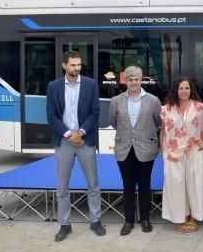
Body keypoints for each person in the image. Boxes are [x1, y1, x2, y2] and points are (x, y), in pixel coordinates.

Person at [46, 50, 104, 242]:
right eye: (73, 65)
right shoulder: (53, 87)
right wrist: (69, 134)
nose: (77, 68)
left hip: (85, 140)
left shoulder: (91, 84)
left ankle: (95, 221)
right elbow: (51, 116)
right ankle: (65, 224)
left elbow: (95, 112)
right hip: (64, 141)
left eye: (79, 64)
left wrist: (80, 133)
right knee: (62, 186)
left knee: (93, 184)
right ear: (64, 65)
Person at [108, 66, 162, 236]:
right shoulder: (116, 100)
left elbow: (158, 122)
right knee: (128, 186)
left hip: (146, 148)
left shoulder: (153, 101)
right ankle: (129, 220)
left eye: (136, 79)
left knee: (145, 185)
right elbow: (113, 122)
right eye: (130, 79)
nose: (133, 82)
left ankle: (145, 219)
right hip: (124, 148)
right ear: (126, 81)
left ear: (141, 80)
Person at [160, 78, 203, 233]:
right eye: (181, 88)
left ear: (191, 90)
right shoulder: (167, 109)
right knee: (176, 186)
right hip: (172, 153)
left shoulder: (199, 107)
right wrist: (163, 150)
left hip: (194, 151)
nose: (184, 90)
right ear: (175, 90)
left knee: (195, 185)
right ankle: (181, 217)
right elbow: (163, 130)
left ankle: (194, 218)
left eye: (187, 88)